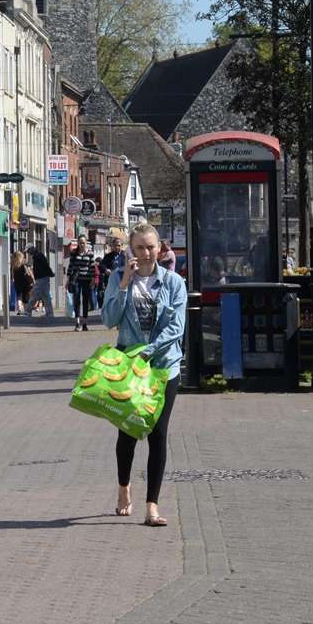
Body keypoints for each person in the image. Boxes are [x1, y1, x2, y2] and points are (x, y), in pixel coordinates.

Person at [101, 222, 187, 528]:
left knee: (158, 433)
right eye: (139, 247)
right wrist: (124, 284)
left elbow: (176, 328)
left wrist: (147, 353)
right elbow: (109, 319)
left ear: (160, 248)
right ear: (130, 251)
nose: (146, 253)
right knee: (128, 431)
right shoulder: (117, 278)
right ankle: (124, 488)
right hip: (129, 368)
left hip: (164, 366)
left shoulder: (174, 283)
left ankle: (153, 504)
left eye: (151, 247)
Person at [67, 240, 96, 328]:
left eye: (83, 243)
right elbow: (70, 266)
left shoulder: (90, 253)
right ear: (78, 243)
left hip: (86, 280)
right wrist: (68, 279)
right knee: (76, 300)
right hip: (76, 280)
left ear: (86, 243)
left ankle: (85, 323)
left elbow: (92, 267)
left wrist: (93, 279)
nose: (82, 244)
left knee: (85, 301)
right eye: (80, 243)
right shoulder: (74, 253)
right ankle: (77, 322)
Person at [27, 243, 55, 318]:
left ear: (31, 249)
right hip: (44, 278)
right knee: (46, 296)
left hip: (41, 278)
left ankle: (28, 311)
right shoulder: (38, 255)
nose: (28, 253)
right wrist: (50, 273)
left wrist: (50, 272)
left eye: (28, 251)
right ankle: (49, 313)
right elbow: (45, 265)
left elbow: (45, 265)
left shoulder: (38, 256)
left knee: (34, 294)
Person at [11, 250, 34, 314]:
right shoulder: (24, 264)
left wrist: (13, 281)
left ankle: (20, 309)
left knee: (19, 296)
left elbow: (13, 275)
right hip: (26, 283)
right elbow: (29, 273)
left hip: (17, 283)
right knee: (26, 297)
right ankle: (27, 311)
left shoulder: (14, 265)